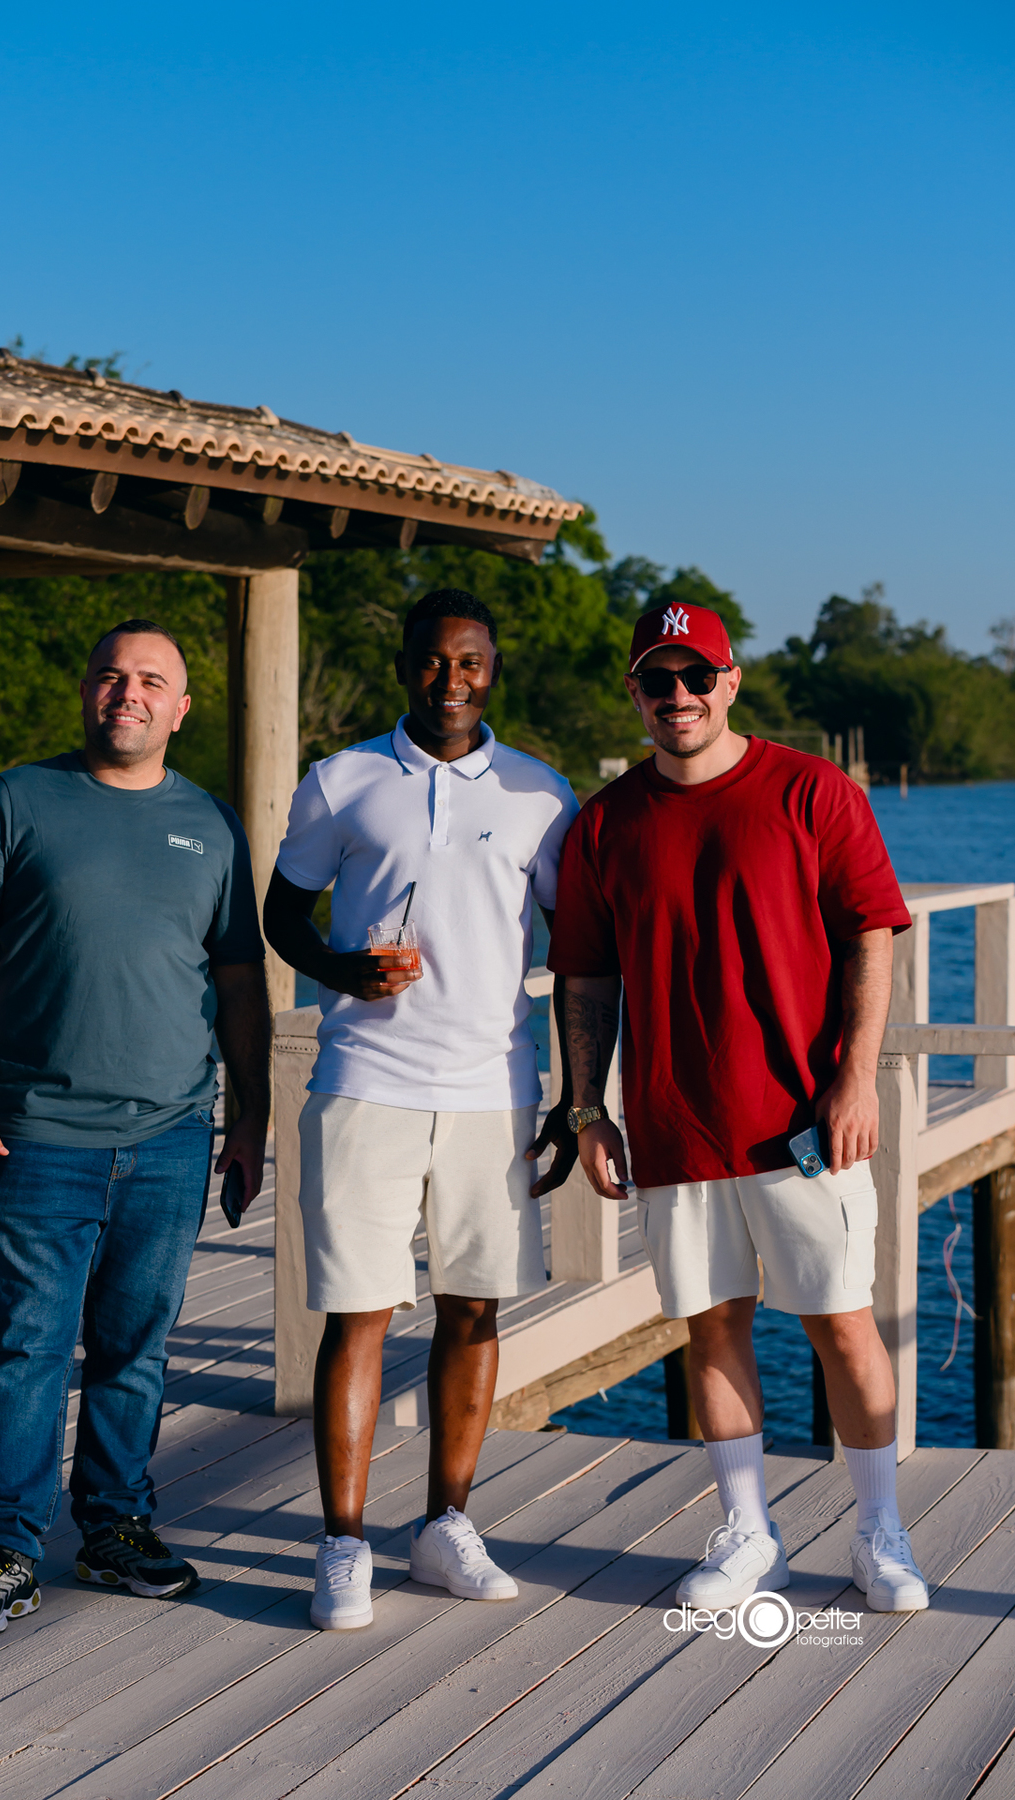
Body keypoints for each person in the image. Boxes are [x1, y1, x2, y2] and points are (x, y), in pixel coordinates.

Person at [549, 600, 930, 1614]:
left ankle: (879, 1532)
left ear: (730, 681)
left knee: (843, 1325)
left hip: (803, 1124)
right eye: (657, 679)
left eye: (695, 676)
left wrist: (855, 1077)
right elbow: (585, 980)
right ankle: (749, 1533)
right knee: (712, 1328)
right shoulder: (604, 824)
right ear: (635, 692)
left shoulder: (812, 791)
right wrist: (587, 1109)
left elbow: (871, 935)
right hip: (672, 1126)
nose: (677, 695)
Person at [0, 618, 271, 1637]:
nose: (130, 693)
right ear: (87, 691)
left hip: (171, 1135)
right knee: (27, 1348)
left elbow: (239, 980)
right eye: (113, 676)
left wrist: (249, 1116)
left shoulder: (210, 824)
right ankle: (6, 1548)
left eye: (152, 681)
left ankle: (114, 1528)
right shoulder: (18, 798)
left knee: (134, 1348)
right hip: (32, 1133)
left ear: (181, 708)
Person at [264, 588, 580, 1631]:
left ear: (494, 672)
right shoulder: (342, 780)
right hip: (366, 1083)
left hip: (495, 1089)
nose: (453, 680)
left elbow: (579, 949)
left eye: (471, 662)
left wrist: (577, 1096)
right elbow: (281, 914)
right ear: (405, 668)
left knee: (474, 1309)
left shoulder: (542, 795)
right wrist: (340, 970)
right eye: (435, 661)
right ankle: (343, 1542)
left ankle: (447, 1525)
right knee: (357, 1313)